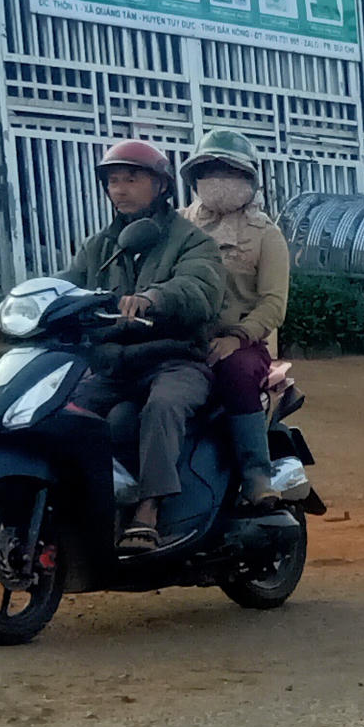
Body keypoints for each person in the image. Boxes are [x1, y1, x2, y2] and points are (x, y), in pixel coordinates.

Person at [69, 137, 230, 551]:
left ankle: (149, 510)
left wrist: (154, 298)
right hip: (114, 365)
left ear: (160, 185)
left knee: (163, 405)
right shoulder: (99, 246)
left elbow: (199, 287)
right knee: (65, 410)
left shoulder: (192, 240)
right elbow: (66, 284)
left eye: (131, 179)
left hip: (175, 360)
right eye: (112, 181)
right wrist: (13, 309)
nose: (119, 190)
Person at [180, 130, 293, 503]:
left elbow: (273, 304)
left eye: (229, 171)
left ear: (249, 179)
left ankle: (256, 474)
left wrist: (236, 338)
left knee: (237, 373)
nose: (218, 180)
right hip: (181, 339)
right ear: (195, 177)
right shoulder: (177, 226)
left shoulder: (266, 235)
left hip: (240, 344)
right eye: (209, 170)